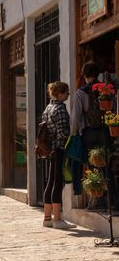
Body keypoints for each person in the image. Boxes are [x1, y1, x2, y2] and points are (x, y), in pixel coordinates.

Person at [41, 81, 75, 229]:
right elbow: (63, 132)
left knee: (50, 181)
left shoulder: (48, 107)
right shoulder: (60, 108)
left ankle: (47, 218)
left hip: (50, 150)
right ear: (60, 94)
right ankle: (58, 219)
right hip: (59, 148)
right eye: (66, 93)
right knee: (58, 182)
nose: (68, 95)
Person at [71, 61, 110, 150]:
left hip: (88, 132)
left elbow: (75, 117)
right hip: (105, 130)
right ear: (97, 74)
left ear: (84, 75)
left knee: (92, 161)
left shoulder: (80, 93)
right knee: (106, 161)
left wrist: (73, 133)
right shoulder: (106, 89)